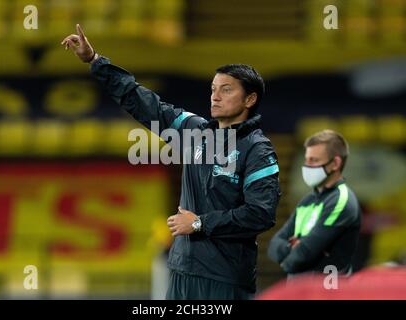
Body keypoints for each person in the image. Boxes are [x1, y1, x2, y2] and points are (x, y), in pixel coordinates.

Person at [62, 24, 281, 299]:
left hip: (223, 278)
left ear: (250, 99)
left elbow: (261, 214)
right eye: (213, 88)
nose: (215, 96)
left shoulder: (258, 150)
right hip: (181, 271)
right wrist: (95, 61)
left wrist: (201, 223)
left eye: (226, 90)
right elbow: (143, 102)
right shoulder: (195, 132)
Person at [268, 130, 361, 277]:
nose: (307, 166)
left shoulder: (341, 200)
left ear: (335, 163)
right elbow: (274, 245)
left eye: (314, 160)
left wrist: (294, 250)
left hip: (328, 291)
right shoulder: (307, 201)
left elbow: (305, 253)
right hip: (299, 289)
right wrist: (294, 248)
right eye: (306, 160)